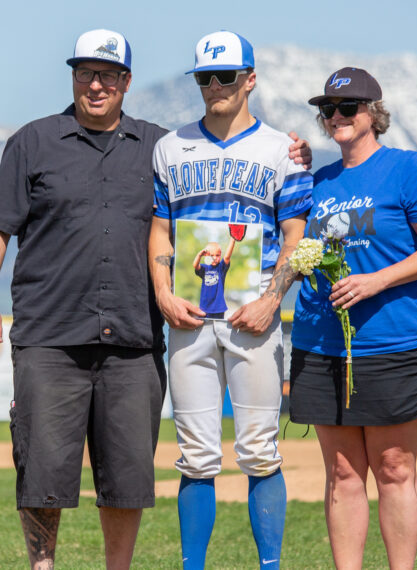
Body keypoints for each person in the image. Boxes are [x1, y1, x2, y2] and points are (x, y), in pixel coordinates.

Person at [0, 28, 311, 570]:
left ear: (127, 82)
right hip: (50, 335)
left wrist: (295, 151)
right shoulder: (33, 141)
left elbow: (220, 173)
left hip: (132, 335)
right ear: (74, 78)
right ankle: (42, 566)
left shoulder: (161, 145)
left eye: (107, 75)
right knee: (42, 470)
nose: (95, 84)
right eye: (85, 73)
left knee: (127, 476)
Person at [148, 31, 313, 570]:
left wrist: (273, 298)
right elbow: (160, 231)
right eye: (205, 77)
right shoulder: (171, 148)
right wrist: (163, 294)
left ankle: (270, 566)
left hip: (253, 319)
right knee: (196, 456)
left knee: (259, 451)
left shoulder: (280, 150)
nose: (215, 86)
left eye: (226, 76)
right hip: (190, 319)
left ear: (251, 79)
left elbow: (295, 234)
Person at [288, 67, 417, 570]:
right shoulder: (316, 182)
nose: (336, 117)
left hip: (392, 341)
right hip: (321, 344)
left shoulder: (408, 169)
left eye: (348, 108)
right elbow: (293, 247)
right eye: (328, 110)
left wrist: (377, 280)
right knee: (342, 473)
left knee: (394, 468)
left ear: (373, 115)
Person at [193, 238, 235, 318]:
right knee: (204, 328)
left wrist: (232, 240)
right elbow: (195, 265)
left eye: (217, 255)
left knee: (218, 329)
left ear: (220, 254)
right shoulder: (204, 268)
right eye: (211, 255)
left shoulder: (221, 268)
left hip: (219, 308)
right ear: (206, 256)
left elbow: (227, 257)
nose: (215, 257)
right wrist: (199, 255)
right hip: (204, 307)